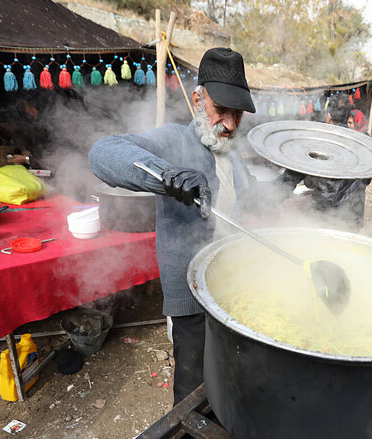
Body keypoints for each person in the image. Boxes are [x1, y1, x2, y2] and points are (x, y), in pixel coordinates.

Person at [89, 48, 282, 405]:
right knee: (193, 390)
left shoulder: (234, 156)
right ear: (198, 98)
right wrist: (165, 175)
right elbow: (103, 152)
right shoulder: (175, 140)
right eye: (221, 110)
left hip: (232, 289)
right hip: (192, 298)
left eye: (237, 113)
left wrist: (293, 180)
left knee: (232, 376)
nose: (230, 124)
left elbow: (254, 199)